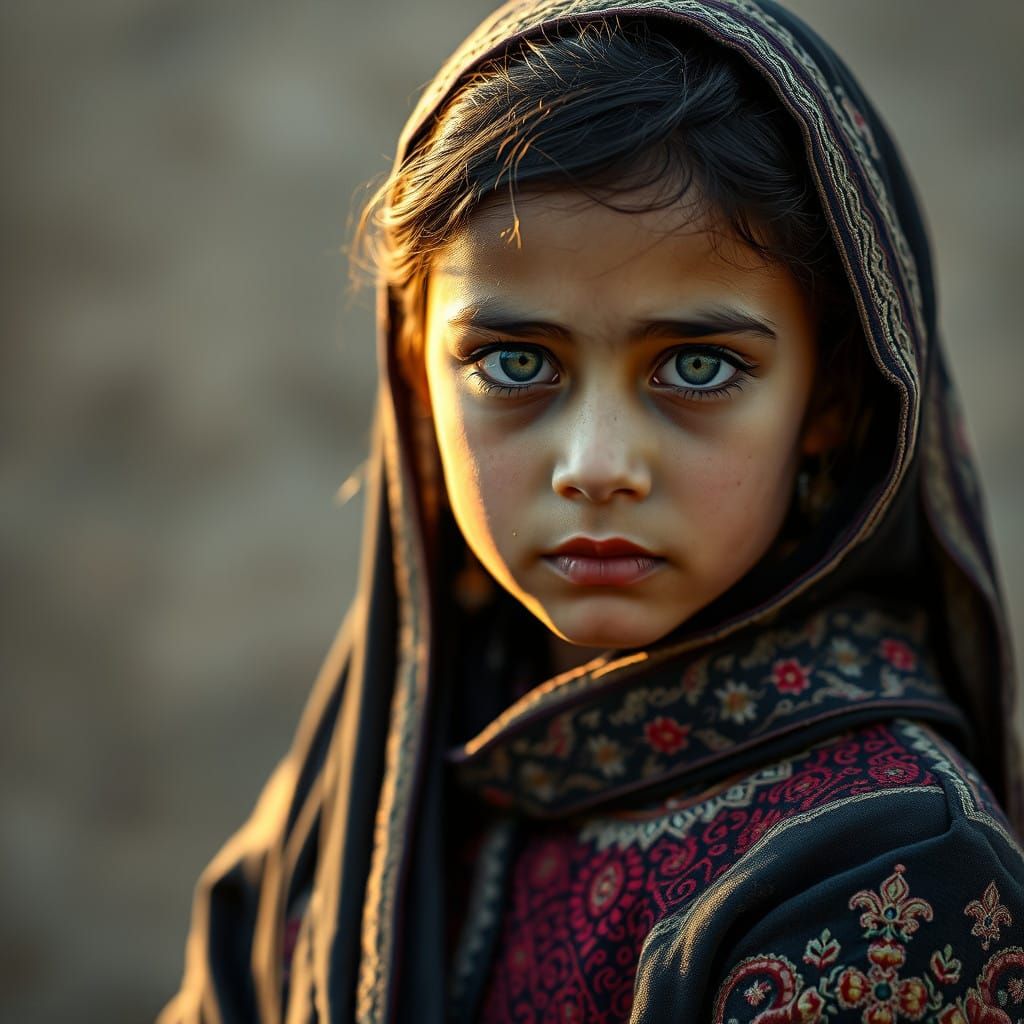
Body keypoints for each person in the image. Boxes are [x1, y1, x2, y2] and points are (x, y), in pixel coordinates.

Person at [158, 1, 1024, 1021]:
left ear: (830, 395)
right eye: (514, 363)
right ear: (415, 372)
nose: (597, 467)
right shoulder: (364, 784)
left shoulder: (890, 879)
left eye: (696, 367)